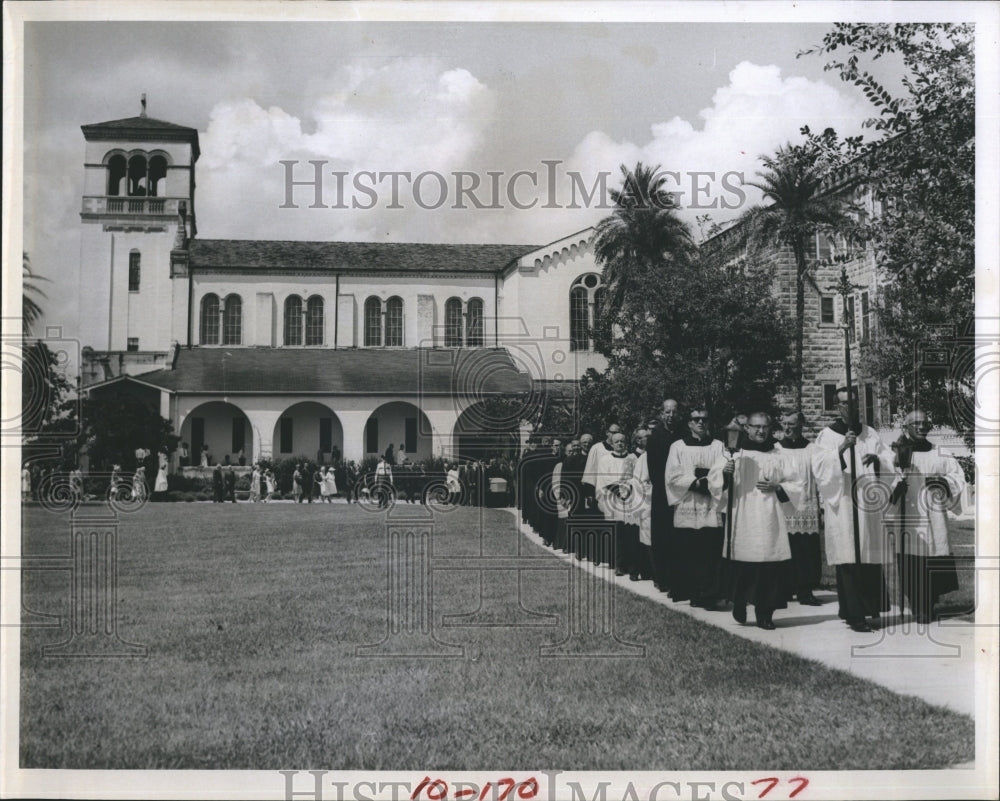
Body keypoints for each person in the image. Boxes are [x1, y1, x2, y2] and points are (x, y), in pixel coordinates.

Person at [813, 386, 894, 632]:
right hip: (844, 503)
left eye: (854, 402)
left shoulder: (870, 433)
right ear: (838, 407)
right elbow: (819, 468)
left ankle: (867, 609)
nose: (851, 407)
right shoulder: (827, 435)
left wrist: (877, 459)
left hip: (867, 503)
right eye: (845, 403)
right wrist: (840, 449)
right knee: (849, 555)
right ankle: (854, 615)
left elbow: (888, 459)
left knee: (868, 553)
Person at [713, 412, 803, 630]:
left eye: (765, 427)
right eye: (756, 427)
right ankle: (740, 601)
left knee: (769, 567)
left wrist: (778, 487)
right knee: (744, 563)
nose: (761, 431)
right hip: (743, 515)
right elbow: (714, 482)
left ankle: (765, 613)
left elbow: (796, 483)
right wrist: (725, 474)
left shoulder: (778, 454)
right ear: (748, 429)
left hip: (769, 517)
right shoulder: (734, 453)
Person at [888, 410, 965, 623]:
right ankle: (918, 605)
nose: (922, 427)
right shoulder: (897, 452)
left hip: (934, 513)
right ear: (907, 427)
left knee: (934, 558)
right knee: (912, 560)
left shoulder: (940, 452)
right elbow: (887, 480)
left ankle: (929, 603)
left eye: (925, 423)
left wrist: (943, 483)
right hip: (910, 514)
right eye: (916, 423)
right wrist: (897, 488)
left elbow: (957, 476)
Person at [664, 407, 726, 607]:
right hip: (687, 502)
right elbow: (672, 475)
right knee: (689, 550)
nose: (701, 423)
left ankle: (710, 594)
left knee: (710, 549)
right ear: (689, 423)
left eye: (705, 420)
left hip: (710, 504)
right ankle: (692, 592)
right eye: (696, 419)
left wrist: (709, 483)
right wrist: (696, 483)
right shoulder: (678, 447)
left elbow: (723, 470)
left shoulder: (718, 446)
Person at [774, 411, 823, 606]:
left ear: (800, 425)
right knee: (785, 546)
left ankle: (806, 590)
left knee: (807, 549)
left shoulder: (812, 449)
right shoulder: (776, 449)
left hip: (807, 503)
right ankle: (784, 589)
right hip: (784, 504)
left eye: (791, 424)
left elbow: (820, 476)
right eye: (784, 423)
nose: (787, 427)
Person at [644, 399, 682, 594]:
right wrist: (668, 488)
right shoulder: (655, 437)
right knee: (662, 536)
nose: (671, 415)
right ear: (661, 414)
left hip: (682, 492)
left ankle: (678, 579)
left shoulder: (683, 435)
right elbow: (654, 470)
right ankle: (661, 578)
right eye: (667, 412)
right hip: (662, 492)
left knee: (678, 538)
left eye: (674, 412)